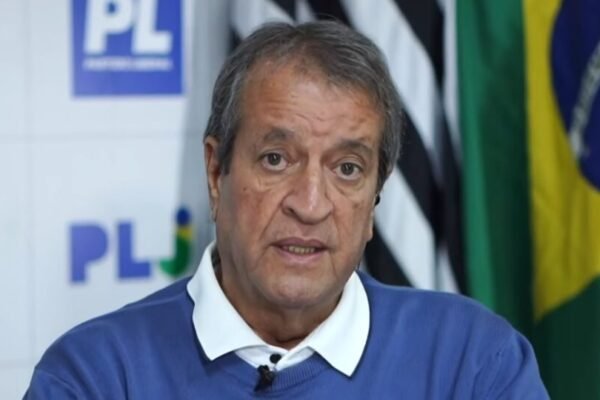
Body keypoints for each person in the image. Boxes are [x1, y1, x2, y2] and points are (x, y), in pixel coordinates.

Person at [24, 21, 548, 399]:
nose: (311, 205)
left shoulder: (474, 364)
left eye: (347, 168)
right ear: (216, 173)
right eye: (276, 159)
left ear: (374, 199)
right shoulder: (96, 376)